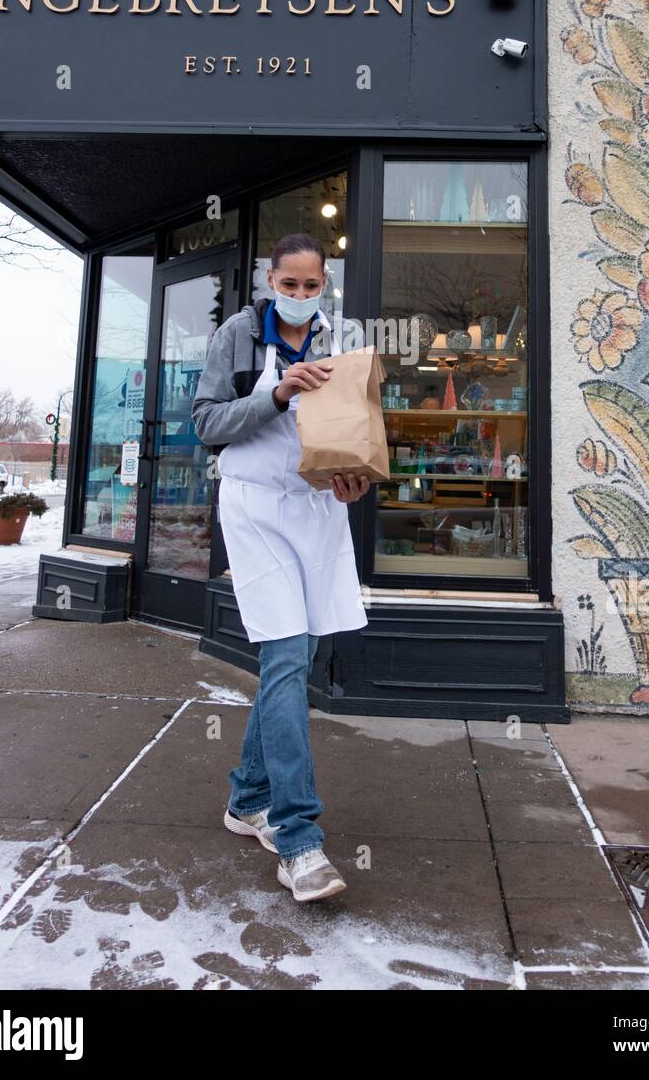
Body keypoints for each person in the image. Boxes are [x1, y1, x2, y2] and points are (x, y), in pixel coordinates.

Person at [191, 232, 372, 902]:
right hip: (256, 505)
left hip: (319, 508)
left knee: (295, 662)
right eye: (288, 285)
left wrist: (358, 480)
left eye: (310, 286)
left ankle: (247, 802)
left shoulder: (342, 336)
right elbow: (208, 422)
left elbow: (356, 423)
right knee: (288, 658)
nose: (298, 297)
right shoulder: (237, 337)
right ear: (269, 280)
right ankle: (298, 841)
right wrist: (275, 394)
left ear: (325, 285)